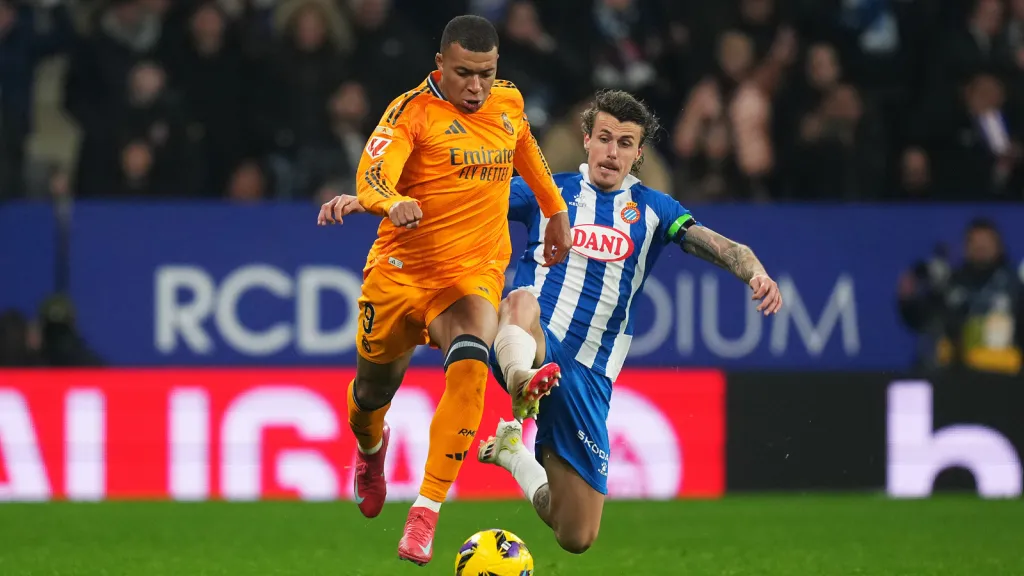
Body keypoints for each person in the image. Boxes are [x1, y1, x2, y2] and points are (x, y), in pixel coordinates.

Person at [321, 89, 783, 555]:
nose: (612, 151)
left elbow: (722, 246)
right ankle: (521, 379)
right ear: (586, 140)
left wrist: (756, 272)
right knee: (520, 299)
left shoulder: (656, 209)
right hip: (529, 339)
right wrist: (378, 200)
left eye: (625, 143)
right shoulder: (549, 192)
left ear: (638, 154)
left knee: (575, 534)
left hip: (588, 378)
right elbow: (455, 200)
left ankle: (512, 454)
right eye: (604, 138)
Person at [315, 15, 571, 566]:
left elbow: (525, 147)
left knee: (472, 360)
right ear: (439, 66)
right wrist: (388, 202)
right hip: (400, 276)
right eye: (463, 74)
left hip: (469, 276)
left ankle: (425, 513)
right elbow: (372, 175)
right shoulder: (412, 113)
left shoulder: (508, 103)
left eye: (486, 73)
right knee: (370, 395)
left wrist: (554, 209)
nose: (476, 87)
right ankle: (370, 450)